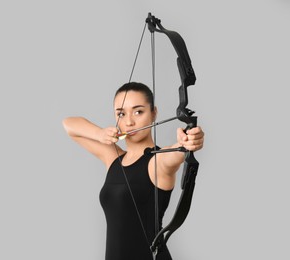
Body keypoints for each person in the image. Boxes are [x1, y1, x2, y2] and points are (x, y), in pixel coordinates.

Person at [62, 82, 204, 260]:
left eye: (138, 111)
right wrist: (99, 134)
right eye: (121, 114)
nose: (129, 122)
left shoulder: (157, 162)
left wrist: (188, 142)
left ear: (154, 113)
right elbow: (69, 125)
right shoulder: (113, 158)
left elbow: (177, 152)